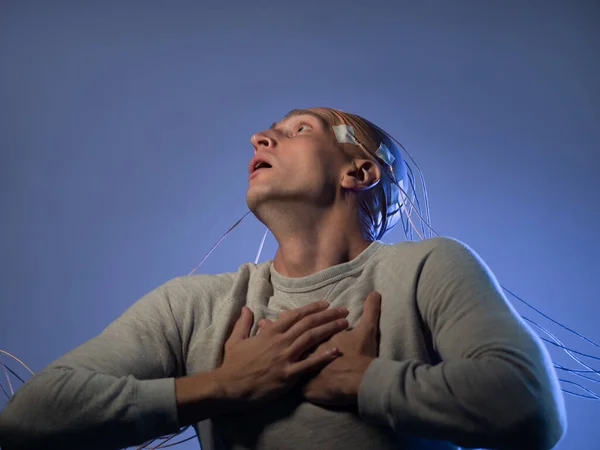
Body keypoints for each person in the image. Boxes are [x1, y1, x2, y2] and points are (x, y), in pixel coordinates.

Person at [0, 107, 566, 450]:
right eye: (267, 131)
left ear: (359, 171)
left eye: (298, 129)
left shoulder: (426, 269)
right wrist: (223, 387)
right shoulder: (190, 305)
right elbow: (26, 422)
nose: (259, 139)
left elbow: (530, 409)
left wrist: (361, 381)